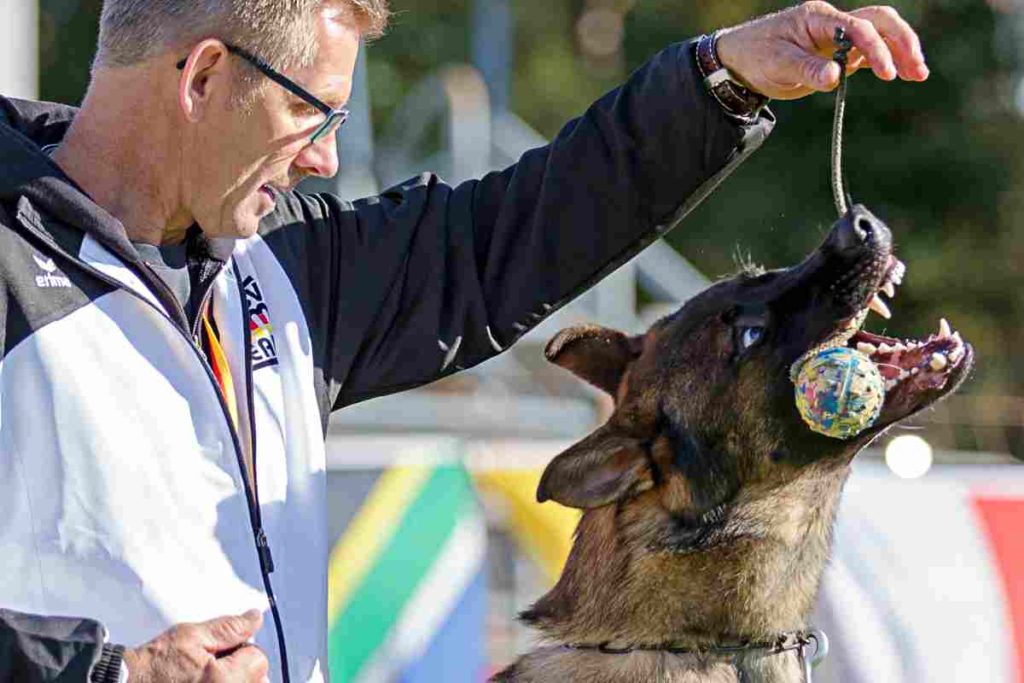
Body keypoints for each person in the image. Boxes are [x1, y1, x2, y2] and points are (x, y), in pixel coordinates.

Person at [0, 1, 926, 681]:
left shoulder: (278, 267)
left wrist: (724, 77)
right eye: (310, 113)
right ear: (203, 77)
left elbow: (515, 233)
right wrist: (105, 671)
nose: (326, 156)